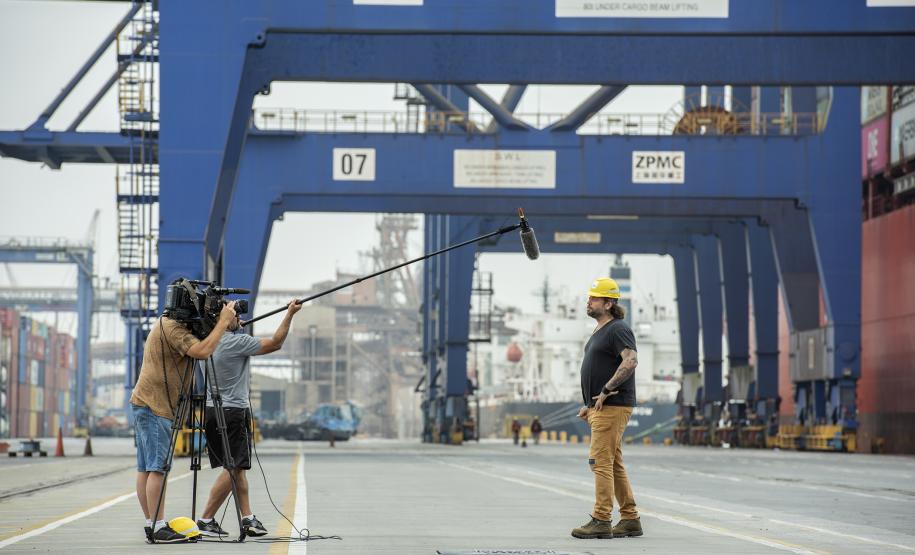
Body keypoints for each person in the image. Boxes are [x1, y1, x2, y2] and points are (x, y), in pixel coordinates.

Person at [130, 286, 237, 544]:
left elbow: (204, 342)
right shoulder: (174, 329)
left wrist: (224, 325)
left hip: (147, 402)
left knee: (147, 467)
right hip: (156, 405)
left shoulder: (168, 324)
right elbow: (202, 352)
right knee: (158, 468)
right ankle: (157, 526)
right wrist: (222, 322)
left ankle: (152, 522)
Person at [195, 300, 302, 538]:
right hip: (233, 413)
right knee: (235, 467)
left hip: (213, 411)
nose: (239, 317)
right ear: (222, 318)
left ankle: (247, 518)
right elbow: (275, 343)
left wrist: (231, 326)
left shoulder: (206, 343)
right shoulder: (235, 342)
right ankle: (205, 518)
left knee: (238, 468)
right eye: (234, 314)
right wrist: (290, 314)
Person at [571, 278, 642, 540]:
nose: (588, 301)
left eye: (594, 298)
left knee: (599, 462)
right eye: (590, 297)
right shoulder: (602, 330)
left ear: (609, 303)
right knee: (613, 464)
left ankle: (602, 519)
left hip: (612, 405)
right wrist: (589, 405)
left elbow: (631, 360)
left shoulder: (617, 329)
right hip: (600, 407)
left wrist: (605, 390)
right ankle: (630, 519)